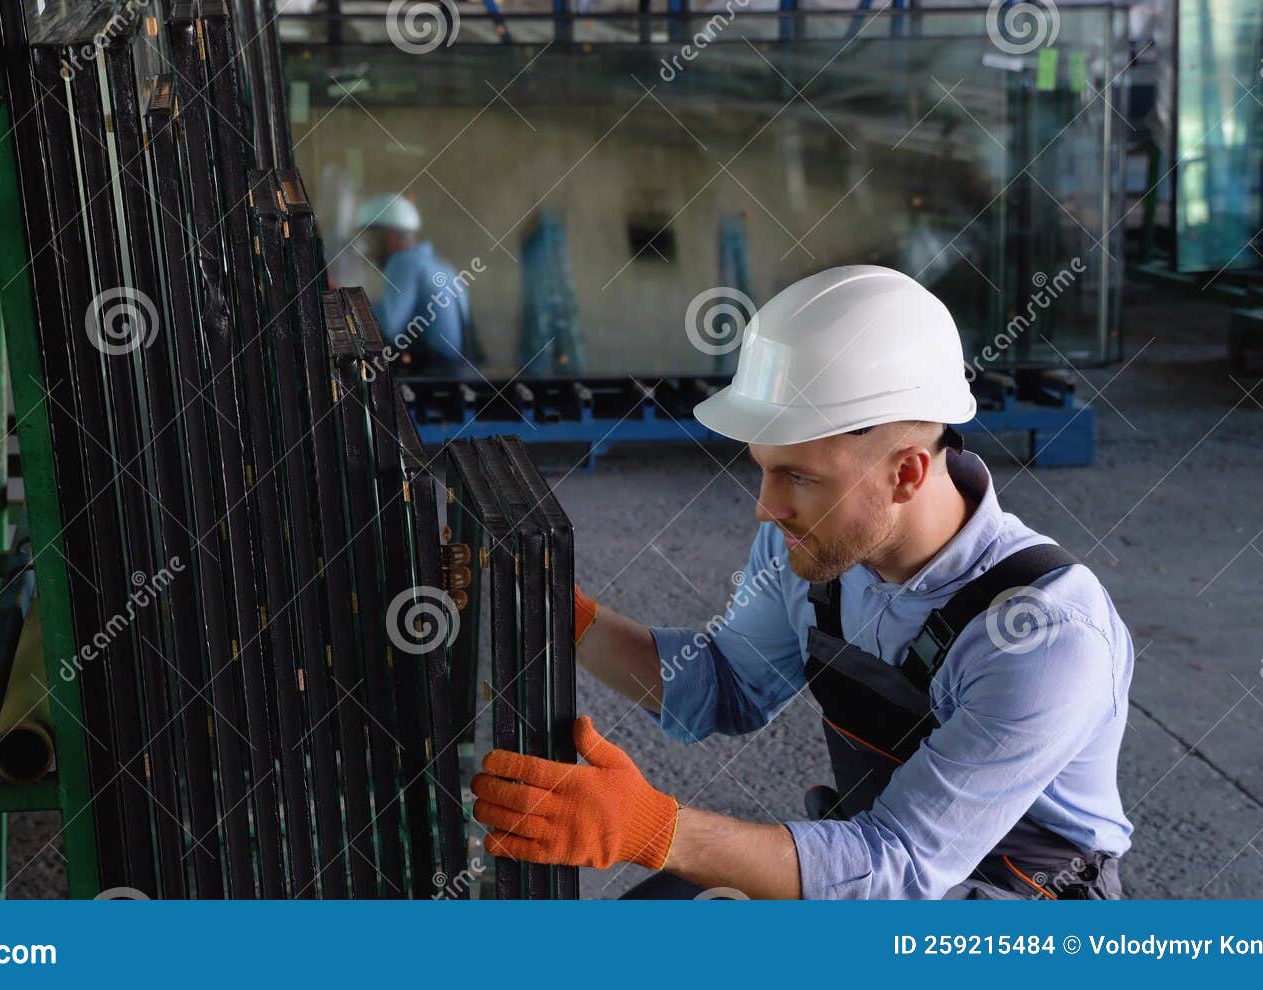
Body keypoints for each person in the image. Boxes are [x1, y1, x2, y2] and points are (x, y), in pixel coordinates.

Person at [471, 265, 1134, 899]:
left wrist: (654, 830)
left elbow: (898, 871)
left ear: (904, 475)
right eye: (764, 467)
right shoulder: (815, 547)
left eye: (800, 476)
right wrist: (561, 616)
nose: (766, 506)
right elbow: (721, 685)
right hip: (880, 866)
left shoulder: (1041, 638)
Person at [355, 193, 471, 376]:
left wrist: (348, 304)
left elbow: (387, 327)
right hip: (456, 375)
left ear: (390, 237)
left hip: (432, 381)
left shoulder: (403, 262)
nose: (367, 252)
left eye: (370, 241)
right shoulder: (441, 265)